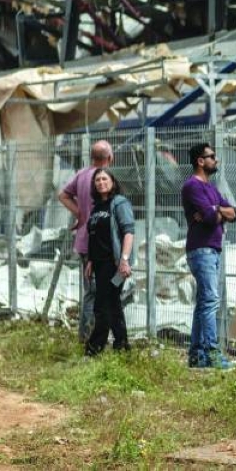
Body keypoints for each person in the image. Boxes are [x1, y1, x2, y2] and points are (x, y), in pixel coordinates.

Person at [183, 142, 236, 369]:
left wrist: (217, 211)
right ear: (200, 161)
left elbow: (233, 213)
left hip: (212, 250)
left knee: (204, 302)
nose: (215, 160)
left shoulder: (212, 189)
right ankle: (213, 354)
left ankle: (196, 355)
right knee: (211, 301)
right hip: (201, 249)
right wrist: (215, 212)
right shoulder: (192, 187)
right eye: (211, 156)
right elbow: (208, 218)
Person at [58, 140, 113, 343]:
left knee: (91, 292)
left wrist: (80, 214)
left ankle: (87, 337)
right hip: (99, 243)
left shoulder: (81, 175)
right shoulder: (104, 179)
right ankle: (93, 339)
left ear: (92, 157)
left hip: (82, 241)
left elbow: (63, 195)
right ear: (110, 158)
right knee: (97, 293)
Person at [83, 168, 135, 355]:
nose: (101, 182)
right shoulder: (97, 207)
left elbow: (128, 232)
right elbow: (94, 236)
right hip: (98, 263)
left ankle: (94, 348)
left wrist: (124, 260)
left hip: (113, 264)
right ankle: (122, 346)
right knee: (112, 304)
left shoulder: (119, 203)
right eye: (97, 180)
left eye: (104, 178)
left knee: (101, 305)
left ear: (112, 182)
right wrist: (90, 261)